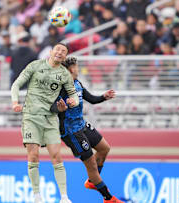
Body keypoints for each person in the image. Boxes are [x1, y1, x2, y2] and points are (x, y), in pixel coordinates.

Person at [11, 43, 79, 203]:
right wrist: (15, 102)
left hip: (50, 118)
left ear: (65, 57)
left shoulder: (64, 74)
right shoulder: (35, 65)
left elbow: (73, 95)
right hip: (31, 116)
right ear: (51, 52)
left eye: (64, 52)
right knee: (33, 155)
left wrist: (73, 102)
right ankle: (37, 196)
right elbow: (16, 84)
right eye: (58, 49)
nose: (60, 53)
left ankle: (64, 197)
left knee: (56, 156)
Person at [50, 57, 123, 203]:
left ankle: (92, 180)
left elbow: (91, 98)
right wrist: (60, 108)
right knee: (91, 165)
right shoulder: (60, 88)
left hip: (81, 124)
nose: (78, 68)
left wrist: (104, 97)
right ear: (71, 69)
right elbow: (50, 107)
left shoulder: (77, 84)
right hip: (71, 132)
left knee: (104, 148)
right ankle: (108, 198)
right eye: (76, 66)